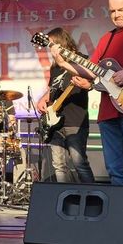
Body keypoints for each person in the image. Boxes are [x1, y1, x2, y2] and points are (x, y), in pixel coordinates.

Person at [51, 0, 123, 215]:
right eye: (112, 11)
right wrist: (63, 62)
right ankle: (122, 220)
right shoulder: (106, 39)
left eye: (121, 9)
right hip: (108, 112)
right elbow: (91, 71)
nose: (116, 15)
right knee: (115, 170)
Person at [36, 27, 95, 184]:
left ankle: (91, 194)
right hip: (54, 122)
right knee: (59, 165)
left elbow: (91, 82)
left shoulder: (81, 59)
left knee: (79, 163)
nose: (50, 49)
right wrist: (43, 99)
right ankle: (64, 195)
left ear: (61, 43)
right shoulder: (55, 67)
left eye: (51, 44)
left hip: (75, 120)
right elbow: (52, 89)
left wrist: (87, 85)